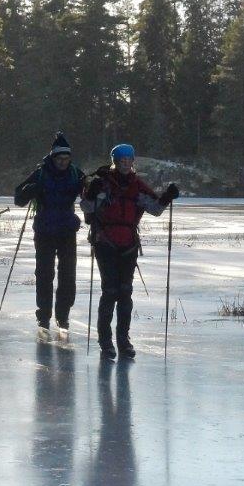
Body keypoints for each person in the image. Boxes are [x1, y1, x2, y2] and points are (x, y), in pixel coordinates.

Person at [81, 144, 179, 359]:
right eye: (121, 159)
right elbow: (87, 208)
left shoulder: (138, 186)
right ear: (115, 160)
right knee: (110, 291)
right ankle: (106, 341)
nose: (126, 163)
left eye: (129, 159)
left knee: (125, 292)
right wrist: (91, 192)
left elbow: (155, 209)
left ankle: (123, 340)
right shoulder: (102, 183)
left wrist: (166, 197)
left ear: (133, 161)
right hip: (105, 242)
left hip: (128, 245)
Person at [14, 132, 85, 330]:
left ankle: (63, 315)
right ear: (53, 157)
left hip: (66, 230)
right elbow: (18, 198)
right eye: (60, 158)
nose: (63, 162)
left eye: (66, 158)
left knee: (67, 275)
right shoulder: (41, 173)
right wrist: (31, 190)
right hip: (45, 230)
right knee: (44, 274)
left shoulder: (75, 173)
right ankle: (44, 315)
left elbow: (90, 194)